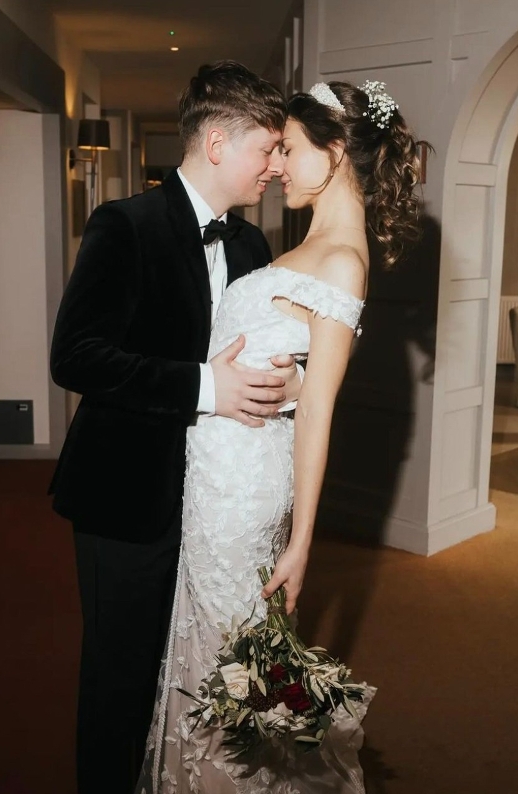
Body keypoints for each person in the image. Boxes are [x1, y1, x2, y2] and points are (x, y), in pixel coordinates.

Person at [137, 79, 425, 793]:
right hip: (221, 475)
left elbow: (321, 408)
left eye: (290, 149)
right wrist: (290, 385)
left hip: (241, 496)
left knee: (226, 659)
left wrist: (301, 543)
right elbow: (303, 379)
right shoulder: (316, 244)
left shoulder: (342, 259)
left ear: (336, 152)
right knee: (216, 652)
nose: (277, 165)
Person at [49, 62, 303, 794]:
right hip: (126, 494)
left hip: (216, 501)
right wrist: (205, 386)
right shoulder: (124, 225)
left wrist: (285, 384)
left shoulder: (252, 246)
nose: (276, 165)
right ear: (218, 142)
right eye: (268, 147)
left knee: (195, 671)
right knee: (120, 676)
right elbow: (76, 356)